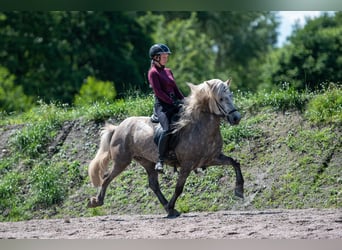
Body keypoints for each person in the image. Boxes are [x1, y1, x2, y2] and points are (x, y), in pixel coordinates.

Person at [148, 43, 184, 172]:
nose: (166, 57)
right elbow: (159, 93)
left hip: (173, 102)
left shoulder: (168, 71)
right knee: (166, 129)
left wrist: (184, 100)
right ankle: (160, 160)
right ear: (155, 57)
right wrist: (171, 102)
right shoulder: (153, 73)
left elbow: (176, 89)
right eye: (163, 56)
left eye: (166, 55)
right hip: (162, 106)